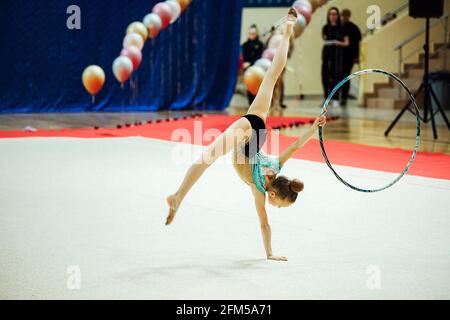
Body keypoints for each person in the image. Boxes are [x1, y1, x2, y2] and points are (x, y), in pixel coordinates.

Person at [165, 8, 327, 262]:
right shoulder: (261, 193)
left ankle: (287, 30)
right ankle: (178, 196)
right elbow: (264, 224)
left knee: (272, 76)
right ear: (273, 195)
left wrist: (315, 127)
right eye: (279, 206)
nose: (275, 209)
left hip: (258, 129)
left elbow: (295, 146)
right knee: (207, 157)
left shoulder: (275, 167)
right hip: (247, 139)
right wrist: (270, 253)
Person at [321, 7, 349, 107]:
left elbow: (346, 43)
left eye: (335, 14)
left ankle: (336, 97)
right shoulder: (325, 28)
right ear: (328, 16)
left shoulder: (342, 28)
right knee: (325, 76)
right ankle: (326, 97)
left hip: (337, 55)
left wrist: (337, 42)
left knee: (336, 76)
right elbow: (324, 40)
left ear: (338, 15)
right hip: (326, 54)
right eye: (331, 14)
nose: (333, 16)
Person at [341, 9, 361, 106]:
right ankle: (338, 96)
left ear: (349, 16)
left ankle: (344, 96)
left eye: (346, 15)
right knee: (338, 76)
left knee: (345, 76)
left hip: (349, 56)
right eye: (343, 15)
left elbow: (357, 44)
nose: (344, 17)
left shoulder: (354, 28)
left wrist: (357, 57)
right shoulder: (338, 27)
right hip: (338, 57)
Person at [242, 24, 264, 106]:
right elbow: (244, 57)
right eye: (250, 33)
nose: (252, 35)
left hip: (257, 69)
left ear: (256, 34)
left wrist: (250, 63)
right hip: (248, 70)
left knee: (258, 88)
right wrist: (246, 64)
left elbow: (259, 56)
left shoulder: (260, 44)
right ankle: (250, 105)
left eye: (253, 33)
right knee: (249, 87)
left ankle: (257, 104)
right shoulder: (245, 45)